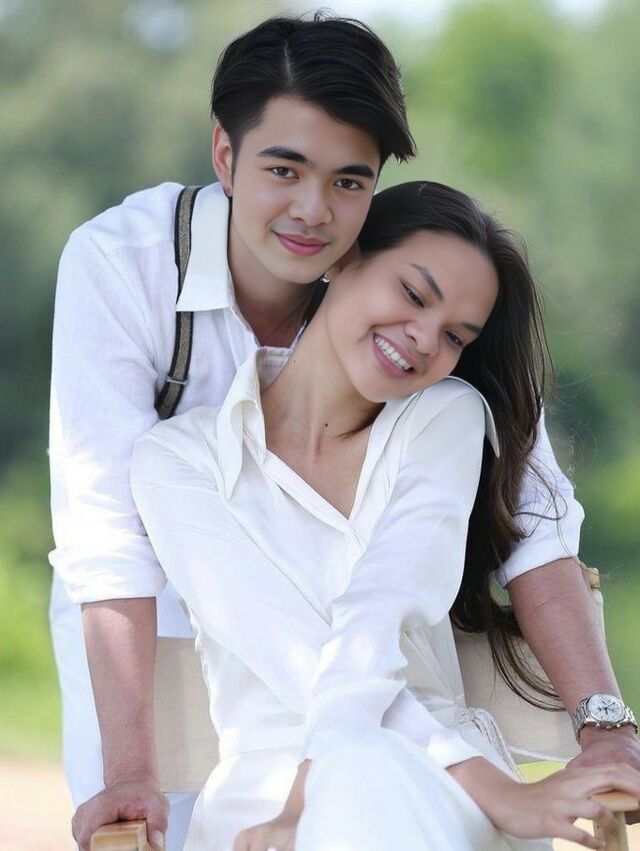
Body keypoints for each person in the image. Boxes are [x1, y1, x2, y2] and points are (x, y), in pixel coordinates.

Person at [47, 13, 639, 851]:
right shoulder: (127, 271)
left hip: (397, 717)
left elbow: (529, 527)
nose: (313, 210)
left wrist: (605, 723)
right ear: (225, 156)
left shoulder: (432, 370)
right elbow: (109, 544)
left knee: (362, 777)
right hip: (176, 622)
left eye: (349, 182)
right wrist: (131, 766)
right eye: (283, 169)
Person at [129, 181, 640, 851]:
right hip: (271, 800)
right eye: (414, 294)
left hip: (436, 799)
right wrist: (497, 792)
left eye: (455, 335)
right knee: (355, 773)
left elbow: (382, 602)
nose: (425, 339)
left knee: (362, 775)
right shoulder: (177, 461)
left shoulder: (445, 416)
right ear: (341, 257)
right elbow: (306, 658)